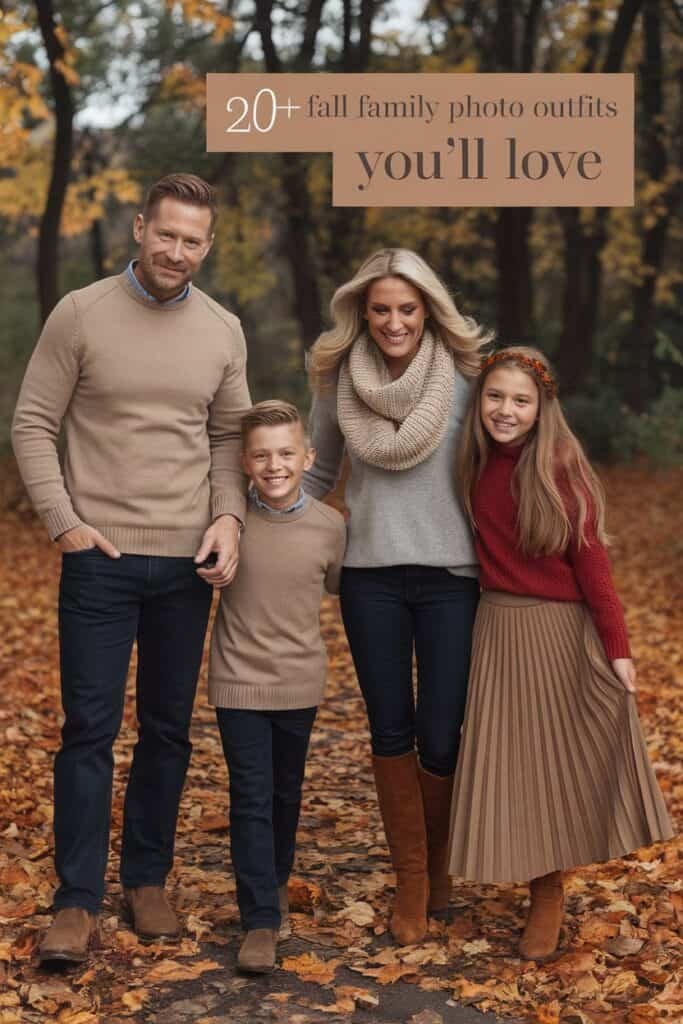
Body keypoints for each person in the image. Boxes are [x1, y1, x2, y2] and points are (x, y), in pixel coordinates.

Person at [11, 173, 252, 964]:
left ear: (206, 247)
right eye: (166, 233)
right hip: (99, 562)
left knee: (167, 731)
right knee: (88, 732)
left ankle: (147, 879)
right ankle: (75, 900)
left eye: (192, 241)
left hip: (185, 564)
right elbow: (34, 422)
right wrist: (65, 522)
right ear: (140, 227)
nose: (176, 251)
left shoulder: (223, 330)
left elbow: (228, 438)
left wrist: (227, 515)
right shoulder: (80, 313)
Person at [448, 346, 673, 959]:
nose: (505, 410)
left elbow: (594, 567)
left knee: (557, 757)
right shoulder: (470, 463)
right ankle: (521, 870)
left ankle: (549, 889)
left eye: (521, 400)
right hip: (496, 629)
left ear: (543, 407)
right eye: (495, 396)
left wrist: (617, 648)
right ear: (480, 401)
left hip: (560, 631)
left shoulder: (559, 471)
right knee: (513, 760)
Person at [304, 248, 491, 944]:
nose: (392, 322)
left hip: (452, 578)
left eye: (406, 309)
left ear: (427, 310)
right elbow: (317, 469)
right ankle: (410, 879)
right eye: (379, 309)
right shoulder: (336, 380)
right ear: (361, 310)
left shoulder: (468, 379)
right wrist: (264, 522)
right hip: (370, 576)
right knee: (390, 730)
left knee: (441, 732)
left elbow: (506, 464)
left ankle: (439, 870)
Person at [208, 400, 345, 973]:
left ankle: (276, 882)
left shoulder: (332, 527)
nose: (274, 464)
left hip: (300, 681)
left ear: (308, 457)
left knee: (286, 793)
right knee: (251, 795)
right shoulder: (227, 520)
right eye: (261, 455)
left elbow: (339, 588)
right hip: (238, 681)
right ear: (244, 461)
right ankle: (260, 918)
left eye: (286, 452)